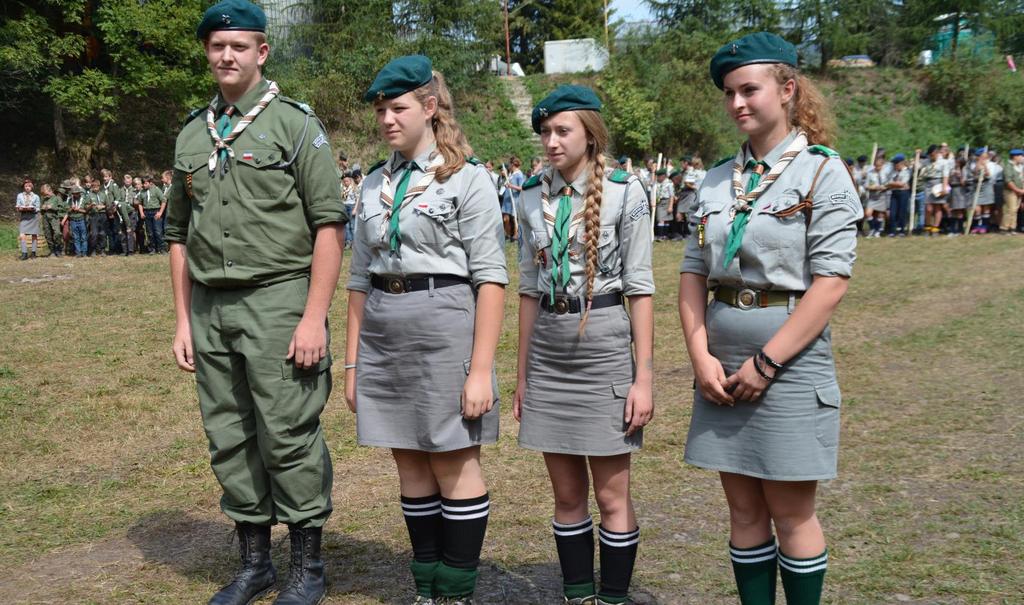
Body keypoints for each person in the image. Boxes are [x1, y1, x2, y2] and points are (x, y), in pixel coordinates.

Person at [165, 1, 347, 603]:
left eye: (239, 46)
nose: (226, 56)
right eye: (217, 46)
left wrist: (314, 316)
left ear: (262, 52)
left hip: (279, 300)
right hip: (211, 308)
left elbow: (328, 225)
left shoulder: (294, 126)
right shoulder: (193, 133)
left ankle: (307, 569)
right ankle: (254, 564)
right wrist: (182, 319)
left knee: (287, 431)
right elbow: (177, 234)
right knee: (229, 433)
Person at [679, 32, 861, 605]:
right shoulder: (713, 180)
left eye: (749, 90)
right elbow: (691, 274)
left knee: (791, 510)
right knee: (742, 508)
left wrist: (768, 361)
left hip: (788, 361)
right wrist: (700, 354)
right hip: (722, 360)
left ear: (787, 89)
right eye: (729, 93)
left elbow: (830, 284)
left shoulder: (820, 173)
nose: (737, 103)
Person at [344, 54, 507, 605]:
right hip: (384, 331)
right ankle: (426, 588)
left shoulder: (469, 179)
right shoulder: (370, 185)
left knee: (454, 460)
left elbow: (491, 280)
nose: (387, 118)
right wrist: (352, 363)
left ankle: (455, 591)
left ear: (430, 107)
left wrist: (480, 371)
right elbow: (358, 280)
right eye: (381, 109)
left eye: (398, 107)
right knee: (408, 460)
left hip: (444, 324)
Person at [513, 85, 654, 605]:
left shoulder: (625, 191)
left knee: (612, 494)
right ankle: (578, 595)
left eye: (561, 131)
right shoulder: (529, 194)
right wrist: (524, 374)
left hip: (605, 343)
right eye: (545, 132)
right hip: (550, 349)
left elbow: (640, 289)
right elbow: (528, 289)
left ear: (590, 135)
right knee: (567, 494)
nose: (550, 141)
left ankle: (614, 596)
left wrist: (644, 376)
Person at [920, 145, 950, 236]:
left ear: (937, 153)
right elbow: (918, 166)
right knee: (928, 208)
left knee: (937, 207)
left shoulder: (944, 162)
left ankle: (935, 228)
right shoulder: (926, 161)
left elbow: (945, 175)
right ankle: (927, 226)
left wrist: (944, 187)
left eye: (933, 155)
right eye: (930, 155)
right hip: (928, 184)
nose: (931, 157)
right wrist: (918, 155)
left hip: (938, 184)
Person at [966, 149, 994, 234]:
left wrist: (985, 166)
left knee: (986, 206)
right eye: (980, 156)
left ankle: (984, 226)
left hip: (986, 185)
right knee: (976, 207)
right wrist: (978, 164)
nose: (982, 158)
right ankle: (976, 225)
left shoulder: (990, 164)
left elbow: (989, 175)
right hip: (976, 185)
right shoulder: (973, 164)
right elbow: (973, 172)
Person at [138, 175, 166, 253]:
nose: (144, 185)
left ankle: (161, 248)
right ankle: (152, 249)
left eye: (145, 183)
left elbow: (163, 201)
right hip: (147, 212)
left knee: (158, 231)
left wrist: (160, 212)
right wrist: (141, 212)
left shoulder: (156, 190)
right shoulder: (142, 192)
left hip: (155, 212)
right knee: (149, 232)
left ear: (150, 183)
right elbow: (140, 203)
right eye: (143, 183)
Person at [16, 179, 41, 260]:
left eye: (29, 186)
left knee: (34, 234)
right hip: (24, 216)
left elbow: (38, 208)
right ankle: (24, 253)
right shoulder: (19, 195)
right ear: (24, 187)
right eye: (26, 186)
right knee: (22, 234)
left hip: (33, 216)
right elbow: (18, 205)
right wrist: (19, 208)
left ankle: (33, 253)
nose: (27, 188)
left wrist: (33, 209)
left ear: (32, 187)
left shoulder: (36, 196)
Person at [886, 154, 911, 236]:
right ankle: (892, 230)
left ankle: (901, 230)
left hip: (903, 193)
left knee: (902, 212)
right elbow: (888, 183)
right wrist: (893, 184)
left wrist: (892, 183)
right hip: (894, 193)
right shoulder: (893, 172)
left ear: (901, 163)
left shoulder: (906, 171)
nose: (895, 165)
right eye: (894, 163)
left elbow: (902, 184)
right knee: (892, 213)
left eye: (896, 163)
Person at [863, 156, 889, 237]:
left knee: (880, 214)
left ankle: (877, 231)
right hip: (872, 196)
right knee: (868, 213)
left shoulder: (886, 173)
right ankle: (872, 228)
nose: (877, 167)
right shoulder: (870, 173)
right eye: (876, 166)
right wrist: (873, 187)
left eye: (879, 166)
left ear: (882, 165)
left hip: (882, 195)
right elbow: (866, 185)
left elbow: (889, 184)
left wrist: (884, 187)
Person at [1000, 149, 1024, 235]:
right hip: (1010, 191)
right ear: (1015, 157)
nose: (1022, 158)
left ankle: (1012, 227)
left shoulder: (1018, 167)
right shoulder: (1008, 167)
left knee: (1015, 210)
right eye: (1021, 156)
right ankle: (1004, 228)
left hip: (1018, 191)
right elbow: (1008, 181)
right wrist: (1018, 190)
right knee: (1010, 209)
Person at [39, 183, 65, 257]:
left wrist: (52, 207)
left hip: (54, 218)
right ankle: (52, 250)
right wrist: (42, 208)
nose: (45, 196)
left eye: (46, 194)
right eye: (43, 194)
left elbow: (62, 209)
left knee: (57, 233)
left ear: (50, 190)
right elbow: (41, 209)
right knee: (48, 234)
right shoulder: (43, 199)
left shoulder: (57, 198)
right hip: (45, 218)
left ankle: (58, 249)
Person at [85, 179, 110, 256]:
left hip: (102, 215)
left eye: (97, 186)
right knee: (94, 234)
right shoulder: (89, 195)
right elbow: (85, 207)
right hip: (93, 216)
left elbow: (108, 206)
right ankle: (93, 250)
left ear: (99, 186)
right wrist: (90, 205)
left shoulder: (103, 194)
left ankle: (102, 250)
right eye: (93, 186)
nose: (95, 188)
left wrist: (103, 206)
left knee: (102, 233)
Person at [947, 156, 969, 236]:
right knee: (953, 210)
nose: (956, 163)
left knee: (959, 210)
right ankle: (952, 229)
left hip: (960, 190)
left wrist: (960, 176)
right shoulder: (952, 170)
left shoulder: (964, 171)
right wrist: (951, 176)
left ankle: (960, 229)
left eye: (957, 162)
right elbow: (949, 182)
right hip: (953, 190)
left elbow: (964, 183)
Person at [506, 156, 525, 241]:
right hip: (510, 199)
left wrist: (511, 186)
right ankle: (511, 234)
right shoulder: (511, 174)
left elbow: (521, 188)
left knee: (516, 217)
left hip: (516, 199)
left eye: (509, 164)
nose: (508, 166)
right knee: (510, 217)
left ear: (512, 164)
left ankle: (517, 234)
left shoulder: (519, 174)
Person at [66, 185, 89, 257]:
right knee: (76, 237)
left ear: (79, 193)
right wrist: (71, 209)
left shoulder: (84, 199)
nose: (75, 194)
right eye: (74, 193)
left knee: (83, 237)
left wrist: (78, 209)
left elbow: (86, 211)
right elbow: (67, 210)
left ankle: (84, 252)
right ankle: (78, 252)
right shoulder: (70, 200)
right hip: (73, 220)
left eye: (77, 193)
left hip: (81, 219)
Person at [653, 168, 674, 240]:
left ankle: (665, 235)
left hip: (667, 201)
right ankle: (660, 235)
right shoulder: (656, 183)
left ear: (664, 176)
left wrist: (670, 206)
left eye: (660, 176)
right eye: (657, 176)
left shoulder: (669, 183)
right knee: (660, 219)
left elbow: (672, 195)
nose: (658, 177)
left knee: (666, 219)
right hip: (659, 202)